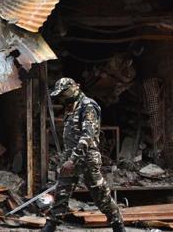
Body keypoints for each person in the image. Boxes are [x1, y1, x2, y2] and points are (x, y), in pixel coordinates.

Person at [42, 77, 125, 232]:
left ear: (75, 87)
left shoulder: (88, 106)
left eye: (64, 93)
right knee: (62, 192)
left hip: (86, 158)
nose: (62, 98)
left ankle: (118, 224)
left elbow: (87, 136)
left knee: (100, 195)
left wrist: (72, 160)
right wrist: (67, 159)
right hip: (70, 158)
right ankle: (51, 225)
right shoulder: (71, 108)